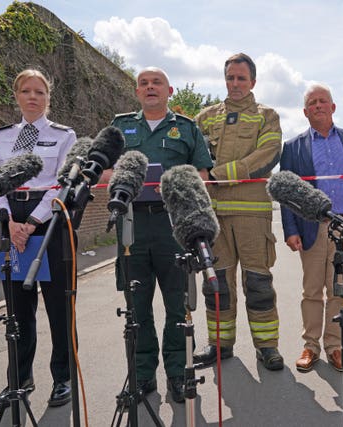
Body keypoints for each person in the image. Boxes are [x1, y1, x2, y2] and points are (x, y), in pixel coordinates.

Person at [109, 67, 213, 403]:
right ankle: (141, 377)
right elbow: (102, 169)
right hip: (131, 226)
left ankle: (179, 373)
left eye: (157, 83)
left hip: (174, 227)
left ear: (169, 91)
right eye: (144, 83)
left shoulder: (185, 128)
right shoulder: (120, 125)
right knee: (136, 306)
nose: (150, 87)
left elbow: (201, 174)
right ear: (136, 91)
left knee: (177, 305)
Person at [0, 69, 77, 410]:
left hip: (50, 223)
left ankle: (63, 378)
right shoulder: (2, 138)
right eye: (26, 91)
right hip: (10, 222)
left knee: (58, 309)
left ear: (48, 97)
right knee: (18, 311)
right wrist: (10, 222)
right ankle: (19, 379)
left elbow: (61, 182)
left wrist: (33, 222)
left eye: (40, 91)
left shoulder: (63, 135)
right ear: (17, 96)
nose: (33, 97)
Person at [193, 53, 284, 370]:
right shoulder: (205, 117)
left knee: (258, 284)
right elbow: (193, 156)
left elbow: (268, 154)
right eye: (230, 77)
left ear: (253, 82)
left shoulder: (266, 116)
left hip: (252, 217)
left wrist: (220, 174)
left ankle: (267, 347)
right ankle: (219, 345)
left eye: (241, 78)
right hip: (214, 217)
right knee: (216, 285)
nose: (235, 83)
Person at [280, 84, 343, 372]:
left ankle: (335, 346)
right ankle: (310, 345)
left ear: (333, 107)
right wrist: (290, 229)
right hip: (311, 226)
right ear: (305, 111)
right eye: (312, 102)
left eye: (322, 101)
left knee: (339, 291)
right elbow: (286, 191)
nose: (318, 105)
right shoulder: (292, 147)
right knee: (312, 290)